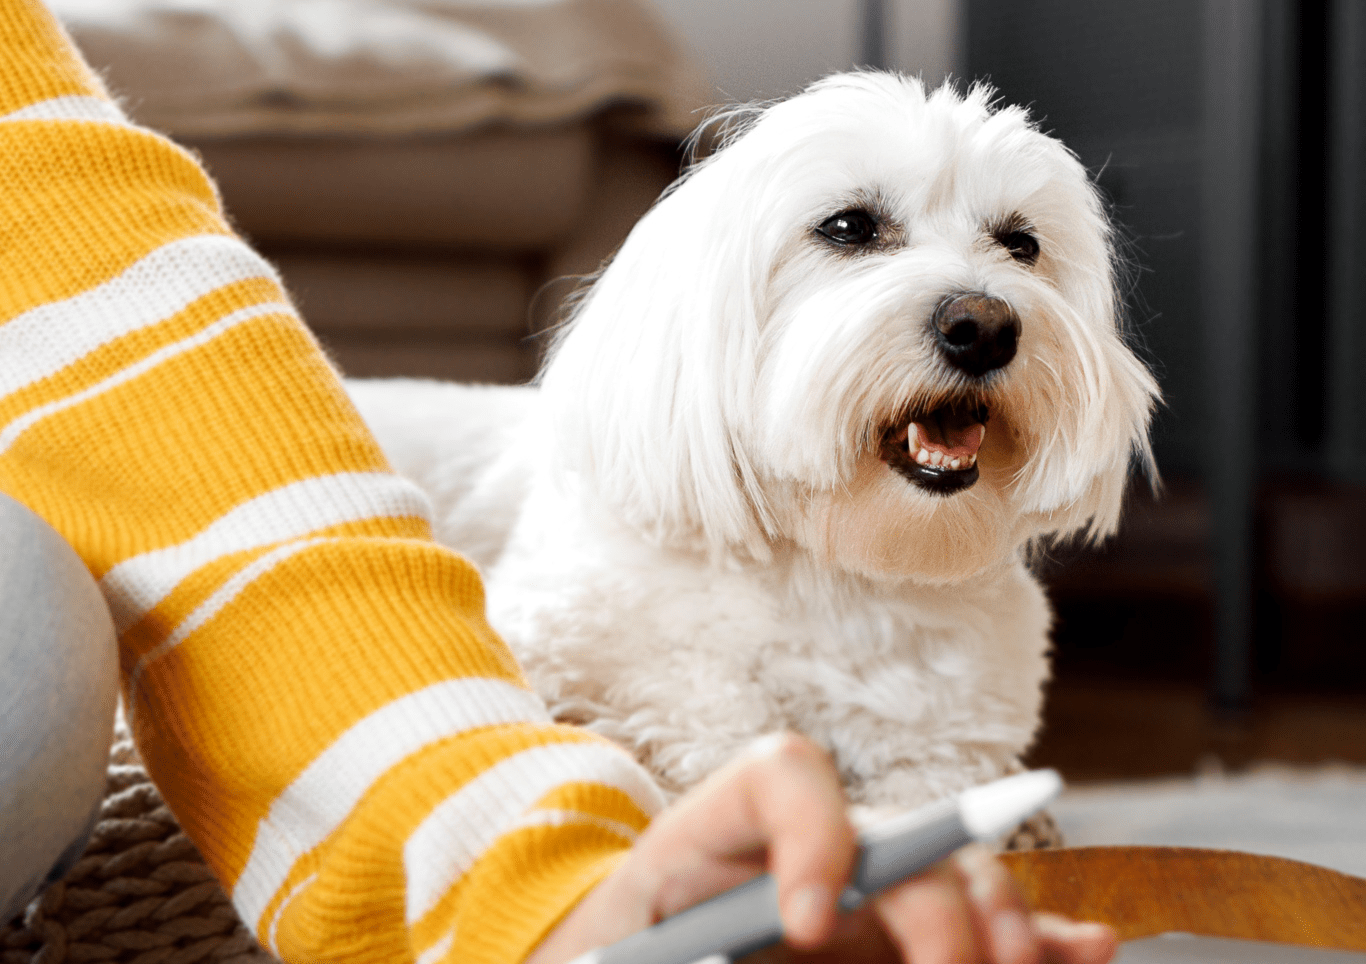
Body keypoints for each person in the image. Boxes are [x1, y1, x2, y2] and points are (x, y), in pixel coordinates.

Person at [0, 2, 1117, 961]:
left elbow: (125, 355)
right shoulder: (606, 534)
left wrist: (546, 911)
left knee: (31, 634)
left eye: (1017, 246)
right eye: (854, 231)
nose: (979, 302)